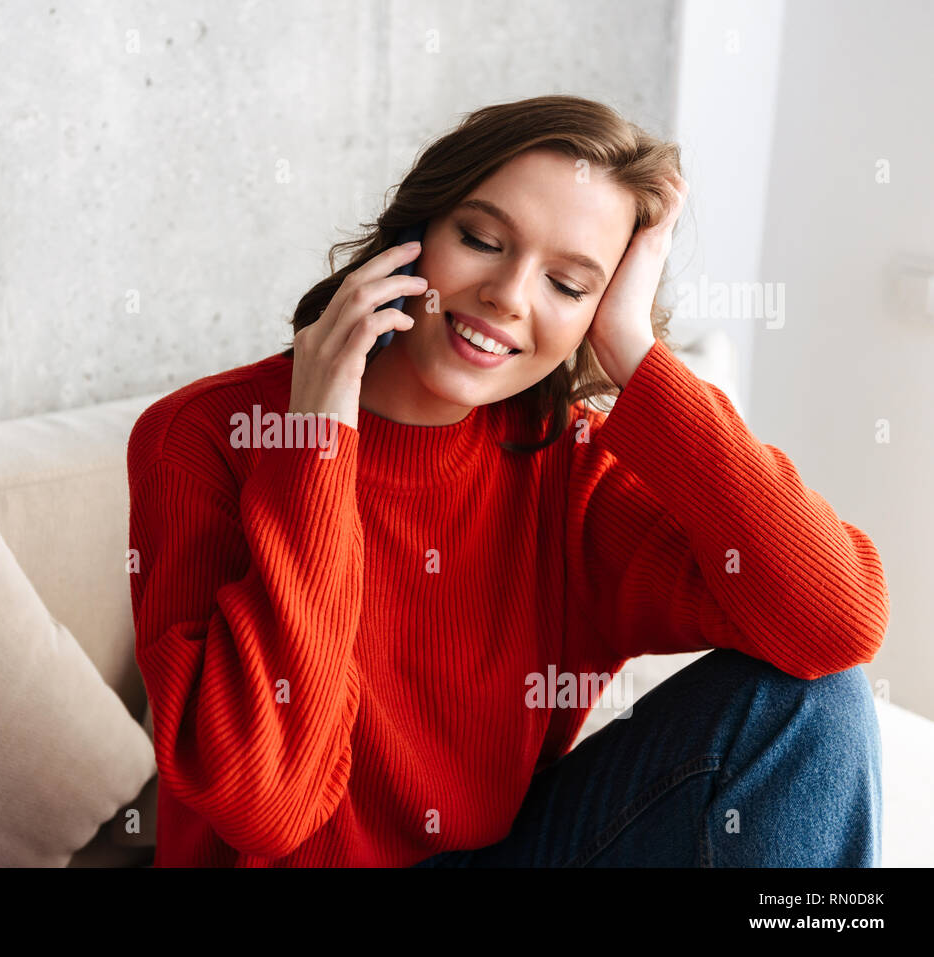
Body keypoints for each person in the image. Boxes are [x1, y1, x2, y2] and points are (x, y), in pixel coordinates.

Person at [126, 95, 888, 867]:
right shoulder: (201, 439)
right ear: (417, 230)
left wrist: (637, 354)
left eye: (568, 284)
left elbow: (837, 621)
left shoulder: (568, 463)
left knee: (813, 704)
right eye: (483, 239)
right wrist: (318, 441)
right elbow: (266, 804)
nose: (510, 295)